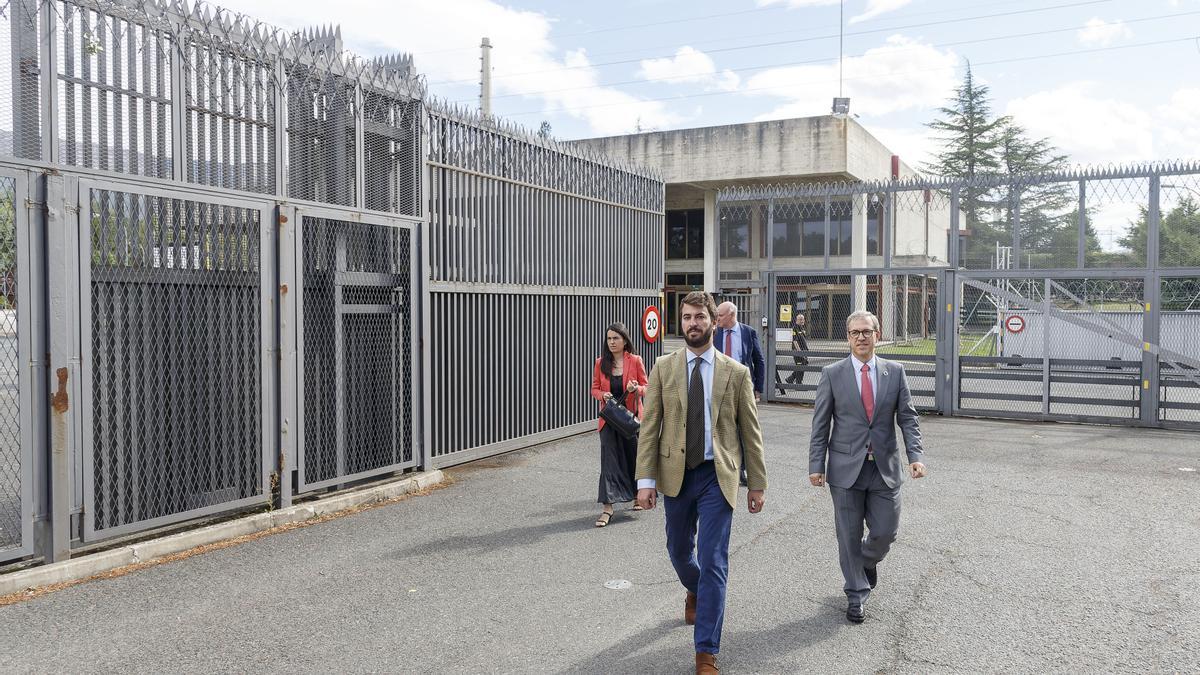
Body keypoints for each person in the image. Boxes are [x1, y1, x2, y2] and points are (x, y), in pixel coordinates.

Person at [636, 291, 767, 674]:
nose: (693, 323)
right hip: (675, 474)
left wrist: (756, 484)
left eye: (700, 317)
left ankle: (706, 652)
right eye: (687, 317)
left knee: (714, 561)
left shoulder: (736, 372)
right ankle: (695, 588)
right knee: (679, 551)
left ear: (713, 321)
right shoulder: (664, 367)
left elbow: (750, 432)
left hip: (716, 475)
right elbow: (650, 428)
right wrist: (645, 480)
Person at [808, 310, 927, 624]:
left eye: (867, 331)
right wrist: (816, 464)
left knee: (886, 532)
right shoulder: (833, 373)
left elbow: (908, 418)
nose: (861, 337)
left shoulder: (895, 371)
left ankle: (865, 561)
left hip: (884, 467)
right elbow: (820, 425)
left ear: (878, 334)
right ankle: (856, 594)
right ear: (848, 337)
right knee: (847, 535)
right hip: (845, 469)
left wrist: (915, 456)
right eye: (855, 332)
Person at [590, 322, 647, 527]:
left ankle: (635, 495)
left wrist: (636, 389)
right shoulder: (600, 363)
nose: (612, 342)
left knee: (632, 458)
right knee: (609, 463)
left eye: (616, 338)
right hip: (609, 421)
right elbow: (594, 389)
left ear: (624, 340)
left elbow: (647, 388)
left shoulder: (636, 361)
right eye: (609, 338)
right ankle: (607, 508)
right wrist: (602, 395)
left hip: (629, 419)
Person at [714, 301, 765, 402]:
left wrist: (758, 388)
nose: (717, 319)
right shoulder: (713, 333)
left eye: (720, 315)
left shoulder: (748, 332)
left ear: (731, 315)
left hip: (742, 383)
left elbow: (759, 360)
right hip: (719, 384)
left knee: (744, 416)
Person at [786, 313, 810, 387]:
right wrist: (799, 352)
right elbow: (795, 341)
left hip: (804, 351)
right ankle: (799, 384)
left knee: (803, 364)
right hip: (798, 351)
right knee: (800, 366)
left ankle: (790, 379)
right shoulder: (794, 328)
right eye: (800, 319)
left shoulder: (802, 328)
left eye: (803, 319)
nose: (802, 321)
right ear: (796, 320)